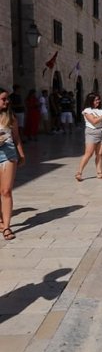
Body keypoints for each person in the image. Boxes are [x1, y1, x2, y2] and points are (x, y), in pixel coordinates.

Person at [0, 87, 26, 240]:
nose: (7, 101)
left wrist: (21, 154)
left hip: (8, 156)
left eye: (7, 99)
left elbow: (16, 138)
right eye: (3, 99)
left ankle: (7, 227)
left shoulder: (11, 117)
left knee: (6, 191)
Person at [75, 93, 102, 181]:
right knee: (88, 154)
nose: (98, 101)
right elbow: (94, 121)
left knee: (99, 154)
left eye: (98, 99)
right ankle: (79, 173)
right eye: (96, 100)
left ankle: (99, 173)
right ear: (91, 101)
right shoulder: (87, 111)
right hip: (92, 133)